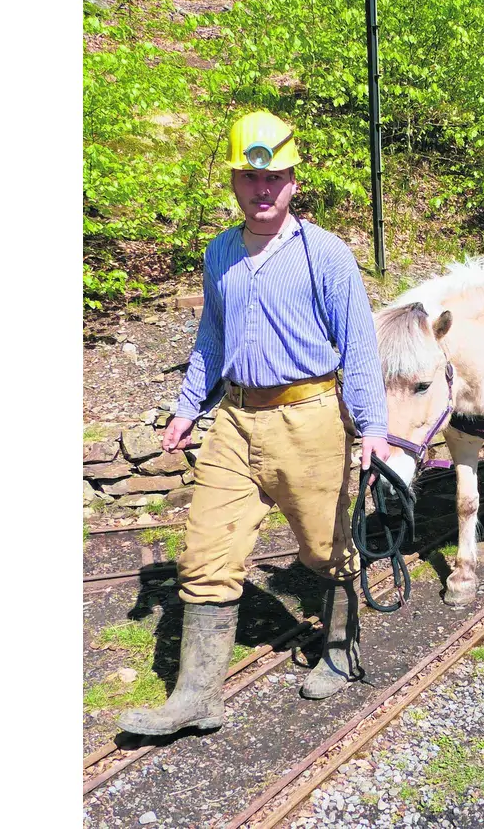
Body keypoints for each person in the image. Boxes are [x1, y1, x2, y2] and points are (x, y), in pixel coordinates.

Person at [118, 111, 393, 737]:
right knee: (204, 554)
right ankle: (197, 697)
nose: (261, 188)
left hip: (310, 418)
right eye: (248, 176)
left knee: (326, 550)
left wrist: (372, 428)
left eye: (273, 177)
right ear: (234, 181)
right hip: (235, 420)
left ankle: (340, 648)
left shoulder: (325, 254)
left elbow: (358, 344)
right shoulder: (220, 252)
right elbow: (211, 337)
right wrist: (188, 406)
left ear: (293, 180)